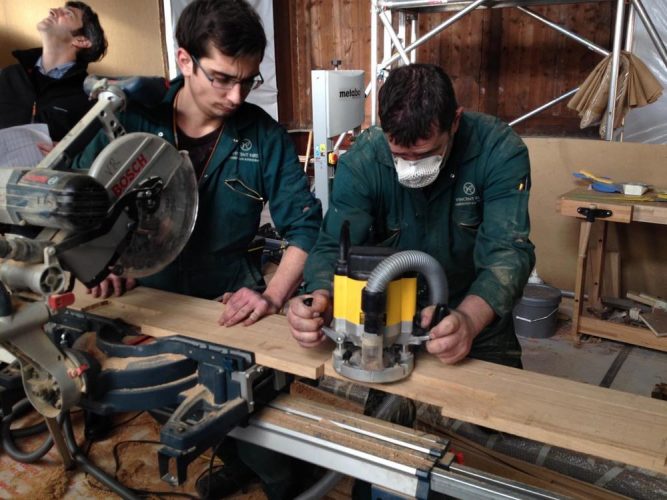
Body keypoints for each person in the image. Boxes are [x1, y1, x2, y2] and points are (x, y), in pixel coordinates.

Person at [73, 1, 321, 497]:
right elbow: (78, 206)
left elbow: (307, 229)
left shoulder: (261, 135)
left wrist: (270, 297)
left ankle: (278, 477)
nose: (236, 96)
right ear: (184, 60)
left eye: (248, 81)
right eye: (223, 78)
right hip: (149, 298)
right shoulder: (129, 123)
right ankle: (240, 459)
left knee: (253, 413)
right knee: (176, 406)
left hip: (230, 300)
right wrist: (99, 265)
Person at [288, 63, 536, 370]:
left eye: (424, 154)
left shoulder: (498, 151)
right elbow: (332, 245)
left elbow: (508, 253)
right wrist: (320, 297)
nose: (411, 166)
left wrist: (469, 321)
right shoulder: (364, 161)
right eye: (400, 156)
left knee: (492, 413)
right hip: (385, 319)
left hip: (473, 315)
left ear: (454, 122)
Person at [0, 2, 107, 142]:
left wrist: (68, 152)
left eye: (68, 13)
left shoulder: (88, 99)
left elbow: (95, 154)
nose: (52, 10)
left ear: (81, 40)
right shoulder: (8, 76)